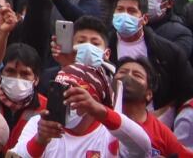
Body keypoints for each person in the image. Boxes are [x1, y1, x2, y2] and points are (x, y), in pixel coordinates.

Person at [10, 64, 151, 158]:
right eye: (60, 89)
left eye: (71, 90)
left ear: (93, 98)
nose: (64, 97)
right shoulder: (40, 125)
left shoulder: (110, 132)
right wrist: (39, 141)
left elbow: (142, 148)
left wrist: (100, 111)